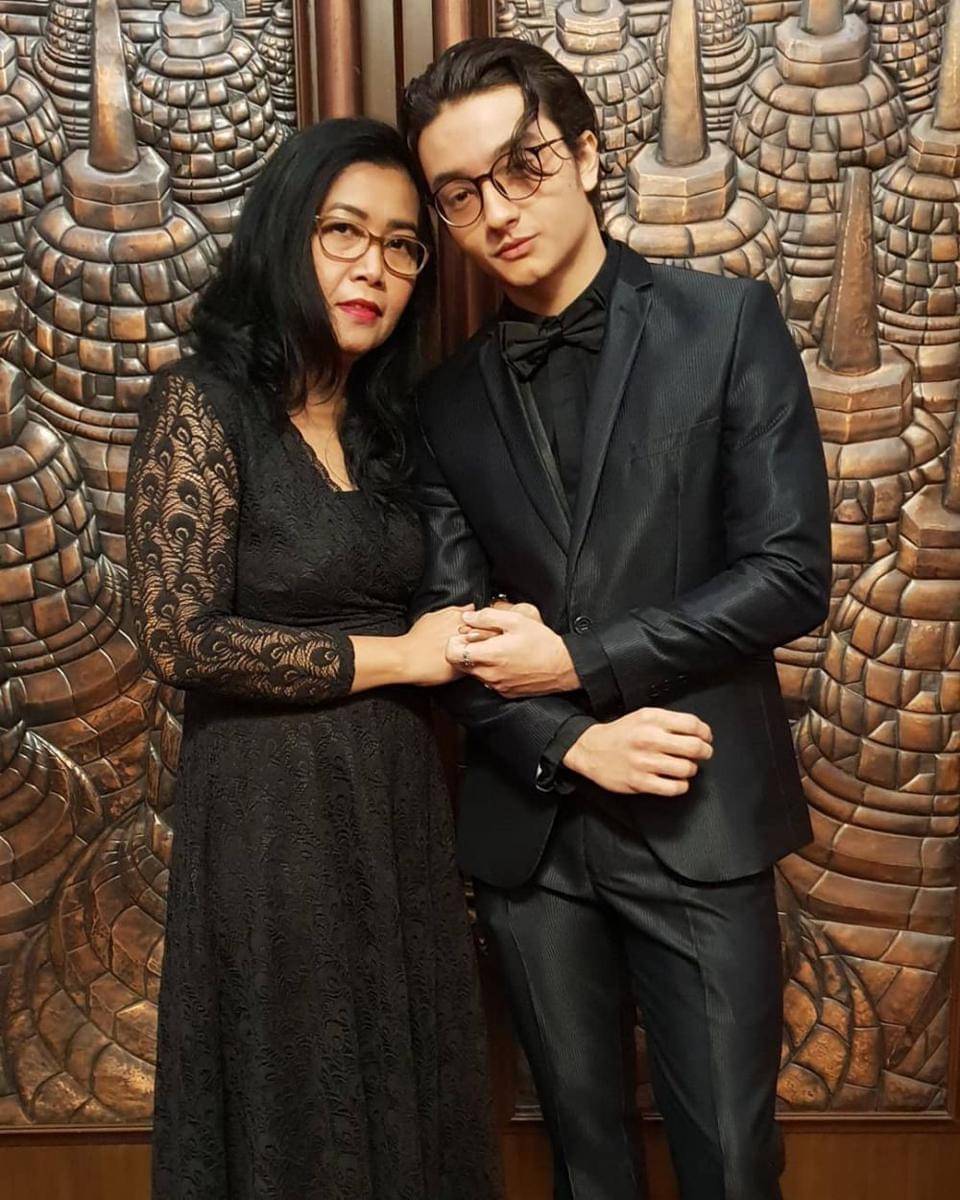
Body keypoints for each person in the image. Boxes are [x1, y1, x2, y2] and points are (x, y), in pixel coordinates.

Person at [400, 38, 831, 1200]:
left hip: (700, 811)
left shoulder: (727, 324)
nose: (498, 209)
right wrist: (574, 740)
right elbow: (451, 628)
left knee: (732, 1166)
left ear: (586, 155)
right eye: (459, 193)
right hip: (530, 839)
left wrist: (581, 661)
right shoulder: (441, 401)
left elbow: (790, 573)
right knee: (585, 1170)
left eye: (523, 164)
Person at [126, 118, 502, 1200]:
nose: (372, 268)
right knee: (294, 1101)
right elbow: (180, 637)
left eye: (402, 245)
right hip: (266, 820)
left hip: (397, 810)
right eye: (344, 232)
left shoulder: (395, 430)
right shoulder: (203, 404)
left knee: (409, 1097)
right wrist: (401, 659)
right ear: (286, 236)